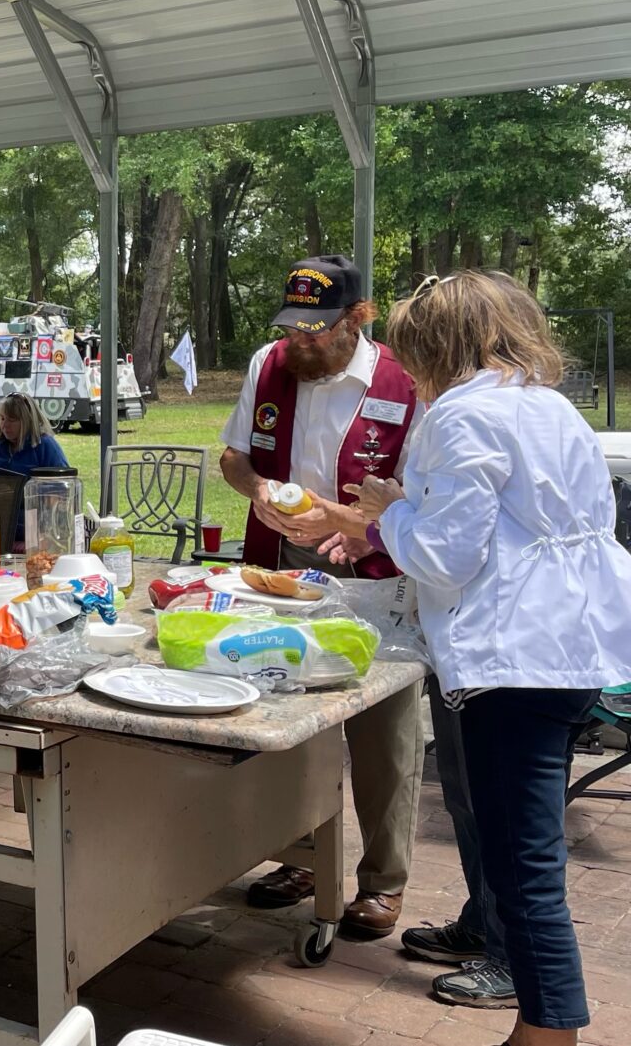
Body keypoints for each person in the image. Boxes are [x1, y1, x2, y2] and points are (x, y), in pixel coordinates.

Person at [321, 270, 631, 1045]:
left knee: (522, 864)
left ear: (437, 348)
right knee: (529, 852)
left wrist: (388, 515)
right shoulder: (550, 405)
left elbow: (446, 555)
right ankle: (538, 1018)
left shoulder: (462, 415)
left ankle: (547, 1031)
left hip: (513, 658)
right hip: (573, 647)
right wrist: (405, 510)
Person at [219, 255, 422, 941]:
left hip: (374, 569)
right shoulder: (268, 365)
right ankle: (301, 856)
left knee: (384, 734)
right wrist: (259, 492)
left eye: (318, 330)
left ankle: (383, 881)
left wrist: (345, 520)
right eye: (292, 328)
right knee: (288, 715)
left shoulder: (403, 381)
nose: (301, 342)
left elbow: (420, 495)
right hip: (283, 563)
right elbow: (235, 456)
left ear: (358, 317)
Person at [0, 393, 69, 473]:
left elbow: (63, 481)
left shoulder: (45, 445)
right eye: (2, 418)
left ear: (28, 421)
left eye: (11, 419)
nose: (5, 425)